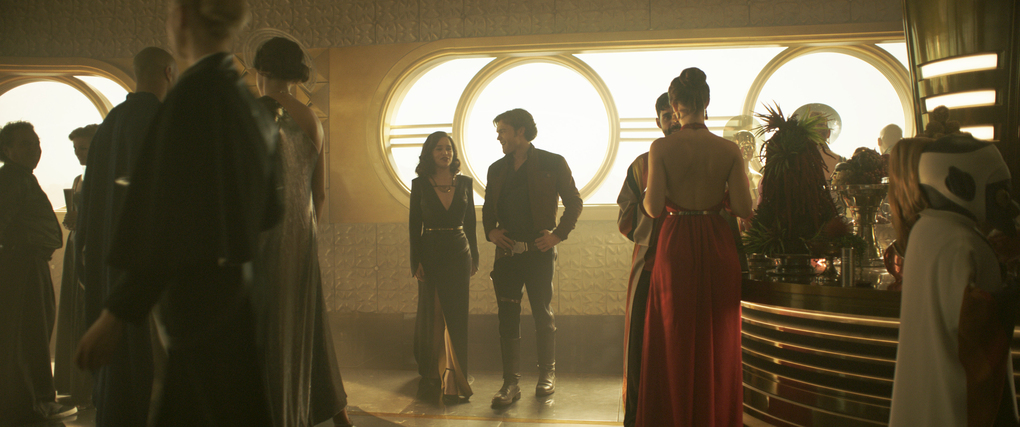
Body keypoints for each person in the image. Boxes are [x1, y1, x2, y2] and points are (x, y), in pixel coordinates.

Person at [74, 0, 281, 425]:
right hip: (243, 293)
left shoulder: (190, 99)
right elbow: (270, 210)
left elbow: (164, 216)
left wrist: (115, 313)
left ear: (181, 18)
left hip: (200, 297)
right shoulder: (246, 101)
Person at [250, 36, 354, 427]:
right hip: (302, 234)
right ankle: (332, 413)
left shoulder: (253, 113)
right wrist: (307, 234)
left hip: (261, 238)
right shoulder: (312, 119)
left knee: (264, 328)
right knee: (307, 325)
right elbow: (319, 193)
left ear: (261, 70)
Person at [640, 68, 752, 426]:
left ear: (675, 107)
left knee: (674, 336)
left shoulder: (661, 148)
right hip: (717, 243)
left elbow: (653, 208)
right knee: (716, 337)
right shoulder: (729, 149)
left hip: (676, 244)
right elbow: (744, 207)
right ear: (707, 102)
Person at [888, 134, 1020, 426]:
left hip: (927, 389)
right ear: (961, 184)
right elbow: (977, 322)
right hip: (959, 399)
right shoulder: (963, 241)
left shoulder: (925, 229)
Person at [76, 46, 176, 427]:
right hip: (145, 260)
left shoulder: (109, 124)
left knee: (119, 359)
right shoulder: (161, 120)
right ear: (169, 72)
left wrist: (87, 252)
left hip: (108, 257)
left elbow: (89, 198)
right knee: (148, 355)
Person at [483, 108, 583, 407]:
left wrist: (557, 235)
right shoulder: (496, 169)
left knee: (542, 311)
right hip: (507, 254)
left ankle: (547, 375)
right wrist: (491, 232)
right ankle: (510, 383)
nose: (498, 137)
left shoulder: (553, 162)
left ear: (520, 131)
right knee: (507, 315)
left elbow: (574, 202)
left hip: (540, 252)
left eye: (502, 131)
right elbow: (487, 209)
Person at [0, 121, 78, 425]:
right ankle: (33, 404)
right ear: (7, 150)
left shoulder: (20, 178)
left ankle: (34, 400)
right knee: (28, 333)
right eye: (26, 144)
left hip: (28, 264)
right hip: (22, 267)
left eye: (37, 143)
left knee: (33, 330)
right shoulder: (12, 179)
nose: (35, 149)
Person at [616, 92, 674, 427]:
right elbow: (626, 218)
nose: (673, 121)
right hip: (651, 265)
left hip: (693, 264)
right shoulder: (642, 165)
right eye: (666, 116)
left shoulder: (706, 158)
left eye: (677, 114)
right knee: (641, 344)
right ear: (658, 122)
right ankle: (639, 416)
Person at [409, 131, 479, 404]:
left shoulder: (465, 183)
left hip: (459, 252)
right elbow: (414, 226)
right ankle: (432, 373)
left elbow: (471, 223)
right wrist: (415, 260)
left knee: (457, 315)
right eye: (438, 149)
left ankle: (456, 377)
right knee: (436, 313)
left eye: (448, 148)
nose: (444, 153)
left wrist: (475, 256)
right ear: (430, 153)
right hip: (431, 251)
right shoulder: (419, 185)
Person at [53, 123, 98, 407]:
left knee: (86, 311)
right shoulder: (79, 179)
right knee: (74, 310)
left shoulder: (103, 177)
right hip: (75, 245)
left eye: (84, 148)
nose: (79, 153)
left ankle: (88, 387)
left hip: (90, 247)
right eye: (76, 148)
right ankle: (75, 384)